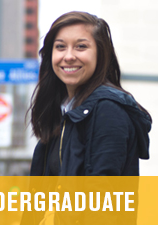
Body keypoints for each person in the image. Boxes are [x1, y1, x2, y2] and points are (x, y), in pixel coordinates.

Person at [27, 11, 152, 177]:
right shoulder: (63, 110)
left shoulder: (108, 110)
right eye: (60, 47)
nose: (69, 56)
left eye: (81, 46)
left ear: (100, 54)